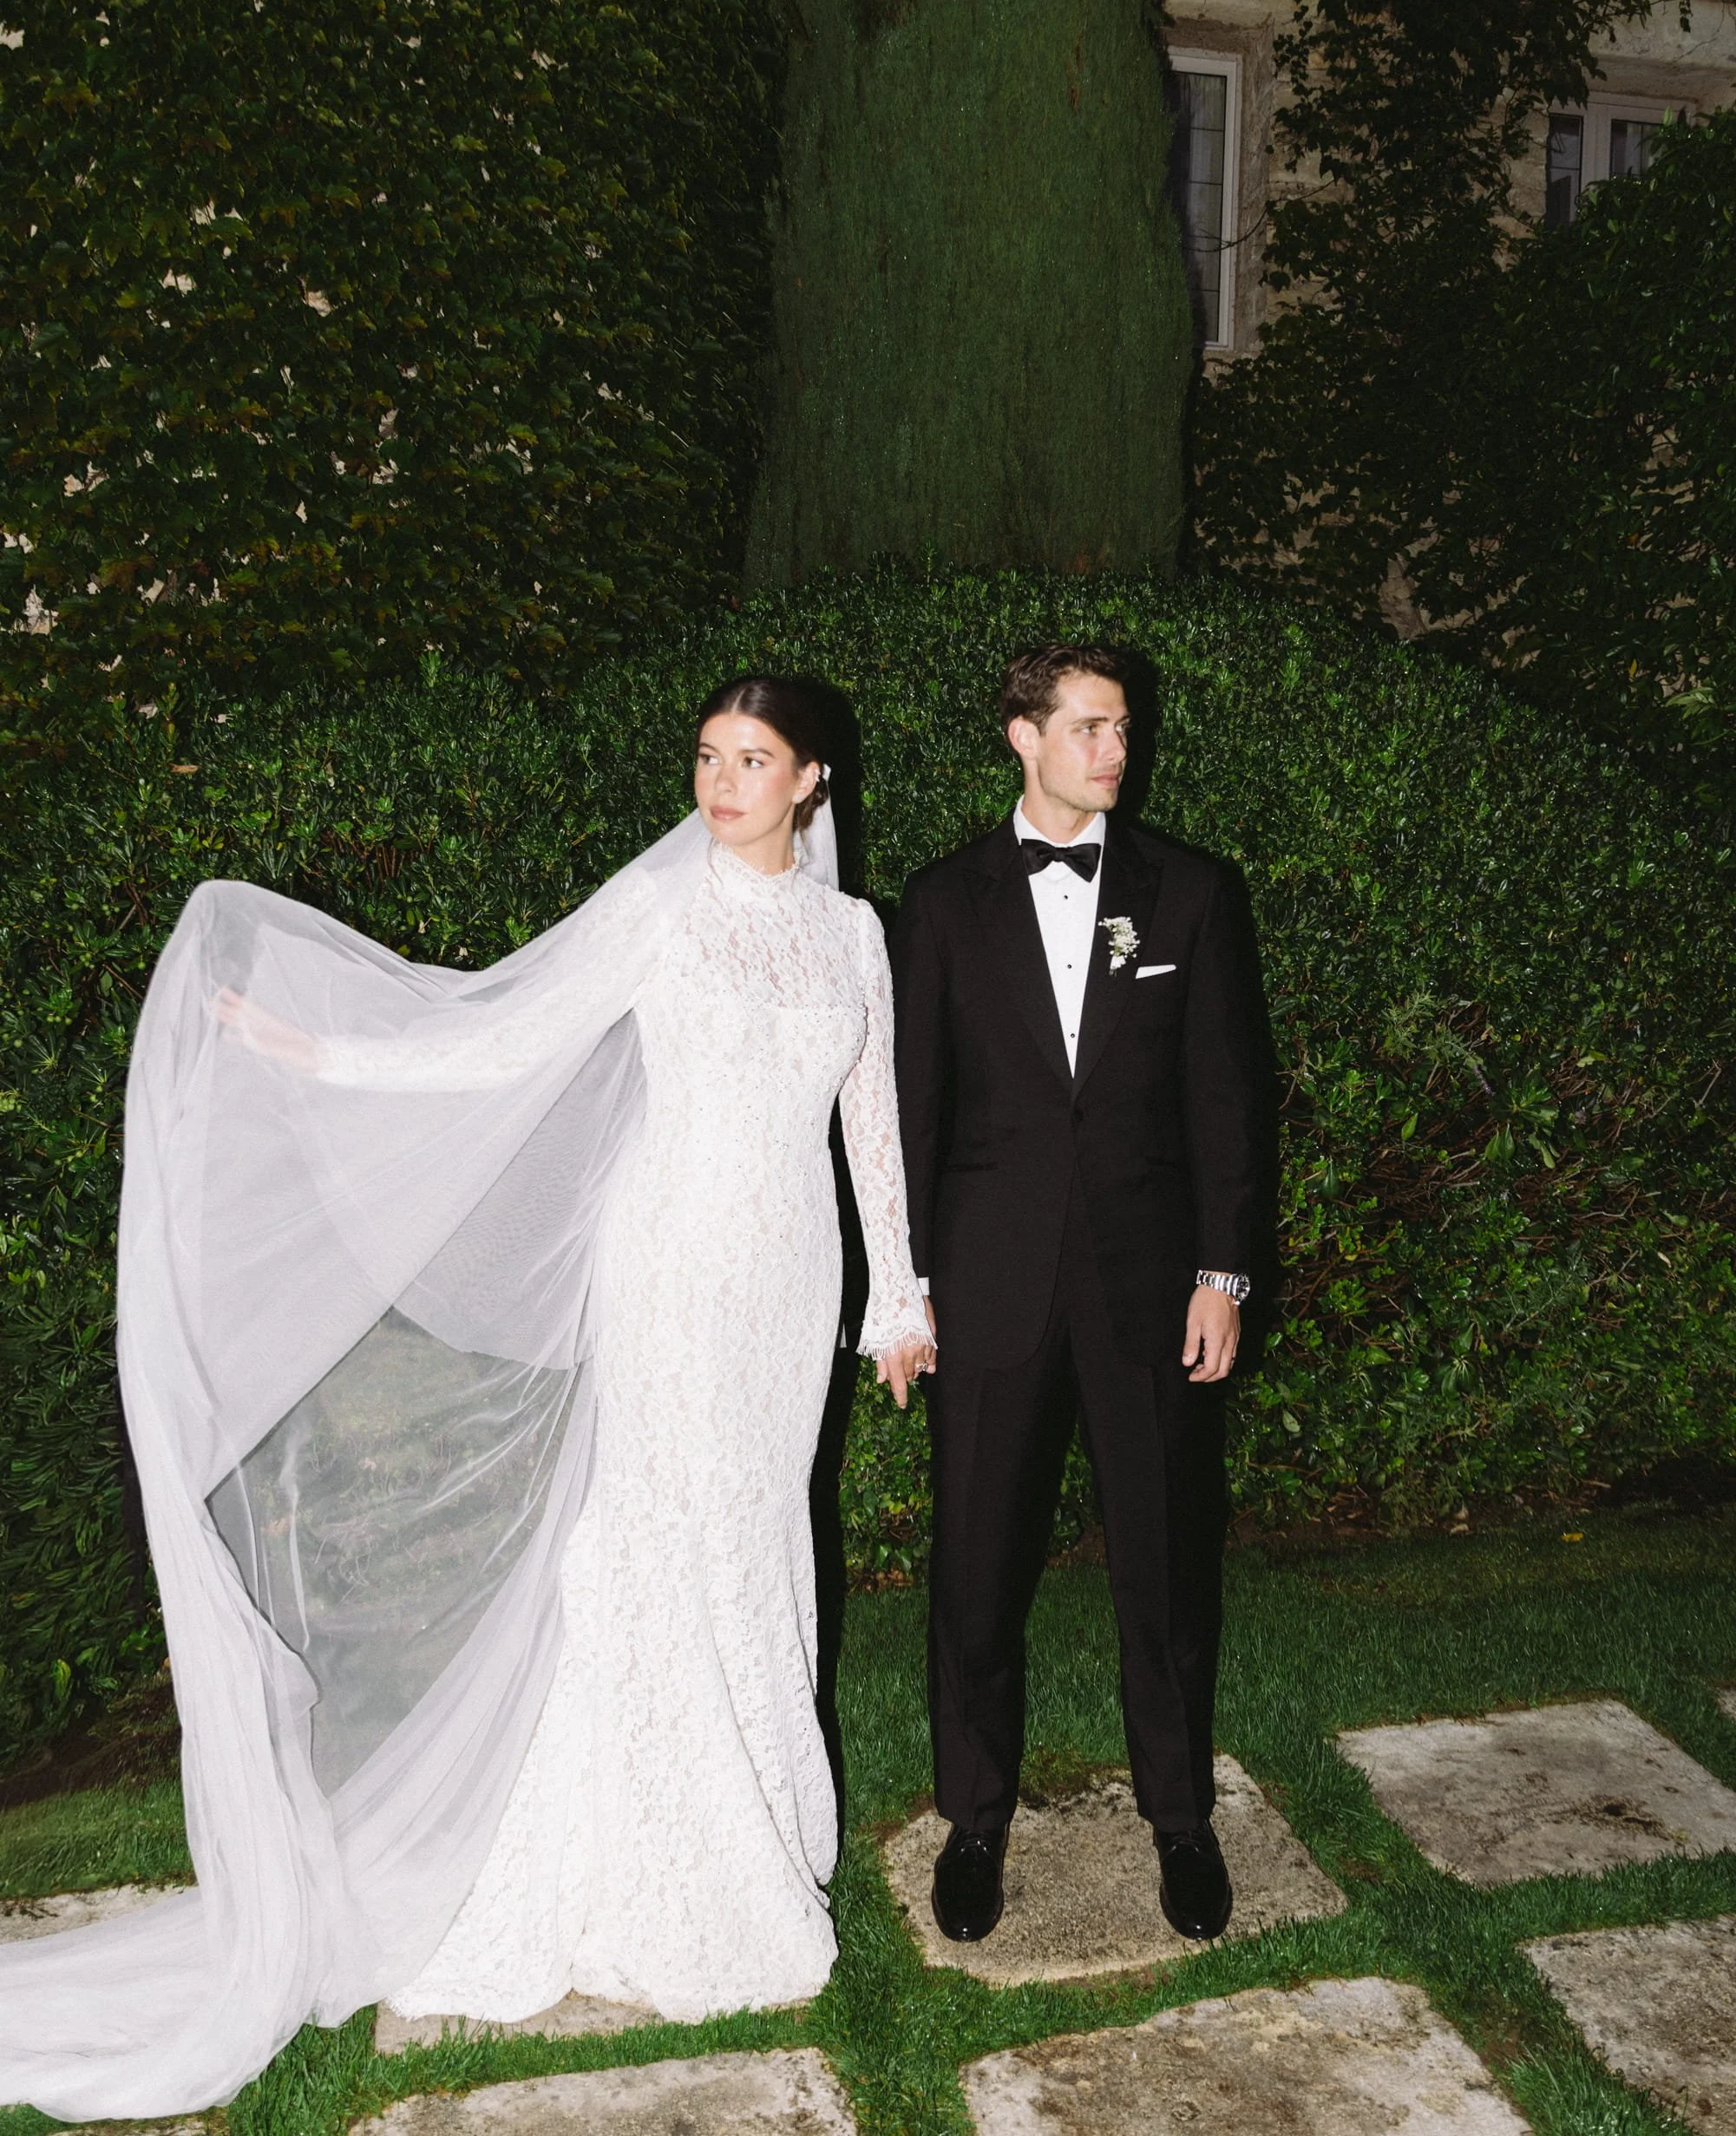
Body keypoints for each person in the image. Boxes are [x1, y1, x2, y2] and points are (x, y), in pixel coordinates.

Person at [0, 677, 934, 2120]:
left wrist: (897, 1299)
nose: (722, 782)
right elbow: (503, 1033)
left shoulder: (855, 932)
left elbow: (867, 1113)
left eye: (753, 761)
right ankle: (635, 1859)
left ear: (812, 780)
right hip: (671, 1269)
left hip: (789, 1279)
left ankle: (758, 1809)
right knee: (650, 1544)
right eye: (706, 756)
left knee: (761, 1541)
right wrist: (327, 1059)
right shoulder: (660, 907)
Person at [889, 644, 1274, 1948]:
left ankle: (1181, 1818)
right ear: (1023, 737)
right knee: (977, 1569)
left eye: (1122, 729)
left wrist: (1222, 1274)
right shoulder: (940, 904)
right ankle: (975, 1821)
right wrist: (908, 1289)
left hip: (1150, 1287)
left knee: (1165, 1565)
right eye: (1092, 729)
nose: (1116, 750)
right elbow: (911, 1112)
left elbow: (1226, 1100)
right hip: (990, 1286)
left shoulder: (1191, 896)